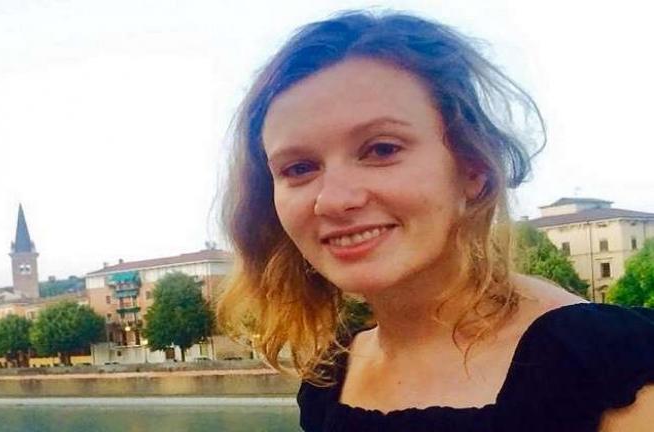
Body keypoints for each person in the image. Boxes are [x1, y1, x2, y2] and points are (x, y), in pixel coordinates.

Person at [216, 10, 654, 432]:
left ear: (472, 167)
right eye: (298, 168)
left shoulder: (613, 366)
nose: (333, 200)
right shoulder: (332, 373)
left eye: (382, 149)